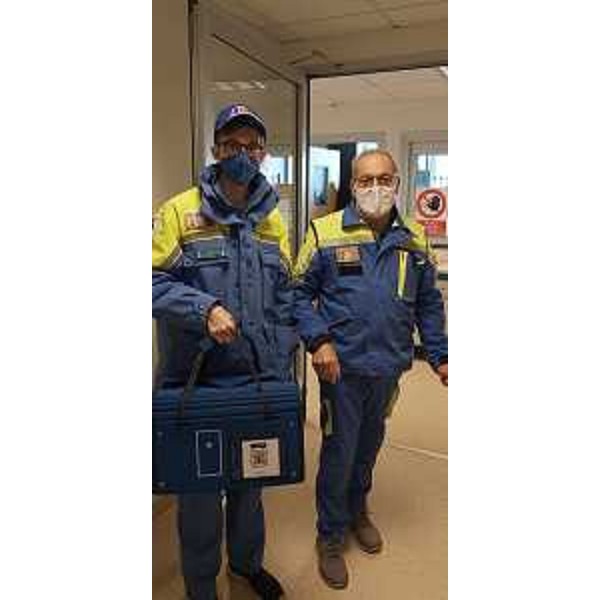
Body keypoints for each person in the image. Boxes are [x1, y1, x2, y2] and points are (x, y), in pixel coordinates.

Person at [152, 103, 296, 600]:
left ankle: (247, 565)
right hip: (197, 383)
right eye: (232, 144)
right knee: (198, 496)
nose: (242, 154)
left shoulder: (272, 218)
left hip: (256, 380)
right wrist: (205, 308)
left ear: (263, 154)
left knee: (250, 482)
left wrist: (282, 359)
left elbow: (285, 295)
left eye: (252, 146)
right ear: (216, 149)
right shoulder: (179, 211)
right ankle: (200, 587)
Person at [293, 148, 448, 590]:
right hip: (340, 369)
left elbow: (428, 303)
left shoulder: (414, 238)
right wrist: (319, 340)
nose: (375, 188)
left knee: (368, 445)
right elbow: (297, 294)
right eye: (365, 180)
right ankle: (330, 535)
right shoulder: (324, 232)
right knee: (340, 451)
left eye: (383, 179)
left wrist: (440, 355)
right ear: (352, 185)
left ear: (397, 183)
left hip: (388, 367)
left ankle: (357, 509)